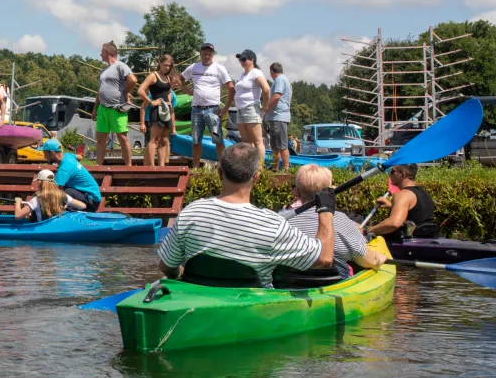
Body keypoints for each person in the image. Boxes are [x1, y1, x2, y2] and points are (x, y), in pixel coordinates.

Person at [157, 144, 336, 288]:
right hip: (252, 314)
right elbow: (325, 259)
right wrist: (326, 211)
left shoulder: (191, 212)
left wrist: (180, 275)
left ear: (219, 173)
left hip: (198, 304)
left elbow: (166, 266)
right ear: (256, 177)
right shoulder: (273, 225)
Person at [281, 165, 386, 279]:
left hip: (286, 283)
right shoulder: (340, 220)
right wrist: (380, 258)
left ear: (296, 190)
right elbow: (366, 259)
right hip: (333, 286)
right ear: (331, 192)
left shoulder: (279, 218)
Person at [179, 43, 233, 169]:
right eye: (205, 54)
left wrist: (226, 108)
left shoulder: (219, 68)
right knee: (196, 140)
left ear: (213, 55)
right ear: (201, 54)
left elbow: (230, 87)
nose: (207, 56)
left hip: (213, 109)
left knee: (217, 140)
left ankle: (223, 167)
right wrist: (187, 90)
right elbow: (179, 78)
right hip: (196, 109)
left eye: (209, 54)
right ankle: (196, 167)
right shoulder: (193, 67)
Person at [368, 163, 439, 243]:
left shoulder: (403, 195)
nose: (389, 174)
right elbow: (417, 215)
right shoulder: (424, 194)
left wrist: (369, 230)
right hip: (424, 243)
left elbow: (394, 223)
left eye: (392, 171)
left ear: (402, 174)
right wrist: (391, 206)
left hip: (404, 247)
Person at [94, 43, 137, 166]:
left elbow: (133, 80)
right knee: (101, 139)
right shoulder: (104, 70)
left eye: (102, 52)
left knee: (122, 137)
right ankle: (99, 167)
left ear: (108, 52)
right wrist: (95, 109)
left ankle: (128, 166)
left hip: (117, 107)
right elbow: (100, 90)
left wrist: (126, 92)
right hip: (103, 108)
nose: (100, 54)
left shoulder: (120, 66)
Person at [137, 54, 179, 167]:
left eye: (169, 66)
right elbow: (140, 90)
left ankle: (162, 167)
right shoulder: (153, 75)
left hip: (166, 110)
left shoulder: (167, 78)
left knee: (164, 140)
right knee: (153, 139)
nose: (167, 68)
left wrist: (169, 102)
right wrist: (151, 102)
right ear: (160, 62)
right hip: (156, 111)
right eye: (165, 65)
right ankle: (151, 166)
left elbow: (168, 91)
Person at [39, 138, 103, 212]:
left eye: (45, 154)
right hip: (94, 196)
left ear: (52, 153)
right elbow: (79, 157)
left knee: (63, 193)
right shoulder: (67, 156)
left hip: (91, 201)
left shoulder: (64, 170)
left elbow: (55, 191)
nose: (44, 157)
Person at [233, 49, 271, 153]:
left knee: (257, 141)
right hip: (240, 109)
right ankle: (248, 166)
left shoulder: (256, 72)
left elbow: (266, 89)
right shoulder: (243, 74)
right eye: (240, 60)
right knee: (245, 142)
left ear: (252, 60)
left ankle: (260, 166)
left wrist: (265, 106)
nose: (241, 62)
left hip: (251, 107)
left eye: (244, 59)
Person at [13, 169, 87, 221]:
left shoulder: (36, 199)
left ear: (40, 182)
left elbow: (17, 216)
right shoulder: (63, 195)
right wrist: (66, 205)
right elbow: (83, 206)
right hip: (57, 227)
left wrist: (18, 202)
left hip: (41, 231)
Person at [264, 62, 293, 171]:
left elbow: (276, 97)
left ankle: (285, 168)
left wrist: (266, 109)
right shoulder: (285, 80)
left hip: (278, 116)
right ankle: (275, 168)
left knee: (281, 145)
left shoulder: (279, 80)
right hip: (279, 117)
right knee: (275, 145)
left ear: (272, 71)